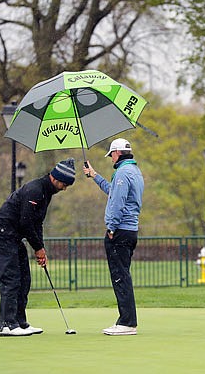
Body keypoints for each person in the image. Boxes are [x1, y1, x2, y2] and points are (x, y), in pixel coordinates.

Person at [0, 158, 75, 337]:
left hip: (13, 237)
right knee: (11, 279)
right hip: (2, 233)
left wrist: (40, 248)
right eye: (64, 184)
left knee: (24, 279)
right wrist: (38, 248)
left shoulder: (46, 193)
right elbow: (26, 223)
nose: (64, 188)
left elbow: (37, 224)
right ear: (55, 178)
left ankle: (20, 322)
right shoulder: (35, 190)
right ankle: (7, 325)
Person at [83, 138, 144, 336]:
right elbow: (113, 192)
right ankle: (128, 320)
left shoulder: (123, 173)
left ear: (117, 153)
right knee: (123, 275)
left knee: (120, 277)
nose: (111, 159)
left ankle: (127, 322)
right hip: (130, 230)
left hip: (119, 231)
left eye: (111, 155)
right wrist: (95, 176)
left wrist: (111, 227)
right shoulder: (134, 171)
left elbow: (117, 202)